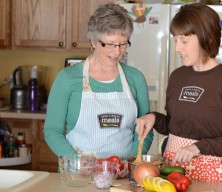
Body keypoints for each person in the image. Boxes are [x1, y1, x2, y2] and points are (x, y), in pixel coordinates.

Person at [135, 3, 222, 183]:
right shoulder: (177, 77)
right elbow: (176, 126)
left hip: (210, 178)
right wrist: (153, 118)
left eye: (184, 41)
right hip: (173, 174)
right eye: (175, 40)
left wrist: (198, 148)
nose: (177, 48)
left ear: (205, 38)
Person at [44, 3, 153, 177]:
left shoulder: (135, 79)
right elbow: (52, 131)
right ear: (94, 41)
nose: (117, 52)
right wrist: (77, 161)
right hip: (77, 177)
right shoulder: (67, 79)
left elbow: (145, 131)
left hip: (121, 177)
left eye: (122, 44)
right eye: (109, 44)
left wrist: (133, 160)